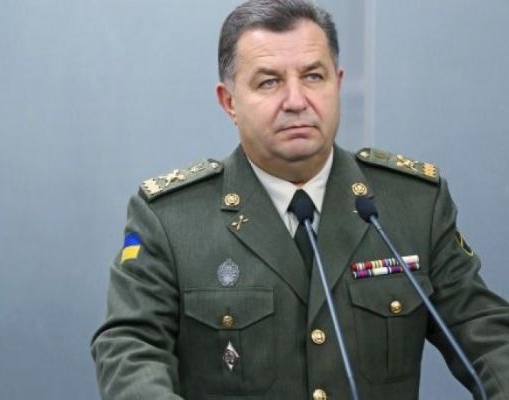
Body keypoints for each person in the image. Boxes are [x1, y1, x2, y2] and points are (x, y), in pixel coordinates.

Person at [91, 1, 509, 398]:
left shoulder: (411, 206)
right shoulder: (172, 220)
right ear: (229, 102)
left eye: (313, 77)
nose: (296, 101)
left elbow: (488, 336)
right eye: (269, 82)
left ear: (337, 84)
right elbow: (130, 350)